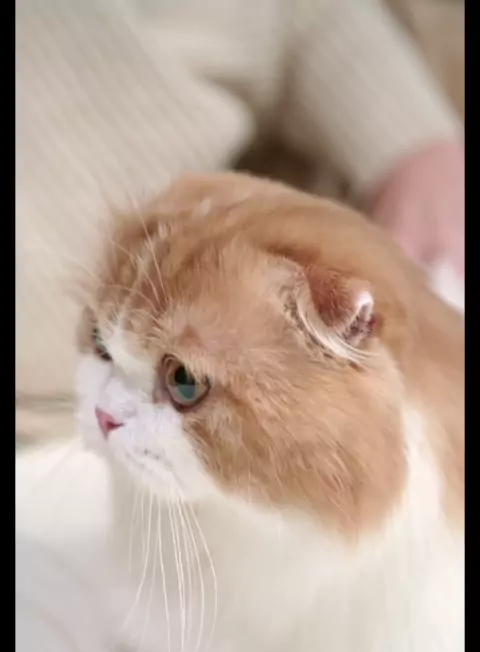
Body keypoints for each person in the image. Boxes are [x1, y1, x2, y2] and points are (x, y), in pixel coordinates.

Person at [16, 0, 464, 442]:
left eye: (185, 381)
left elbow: (295, 13)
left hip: (369, 231)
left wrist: (412, 146)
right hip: (68, 430)